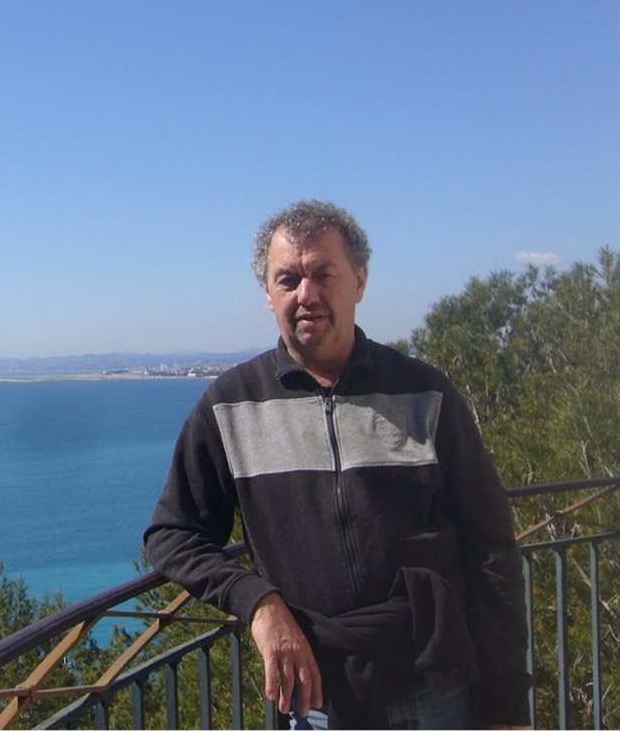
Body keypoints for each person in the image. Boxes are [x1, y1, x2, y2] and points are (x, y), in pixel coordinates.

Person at [144, 200, 530, 730]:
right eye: (288, 279)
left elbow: (491, 549)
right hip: (322, 699)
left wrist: (508, 703)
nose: (306, 294)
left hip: (439, 685)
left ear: (359, 281)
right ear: (267, 293)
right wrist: (259, 604)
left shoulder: (424, 392)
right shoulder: (230, 406)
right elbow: (172, 533)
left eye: (324, 274)